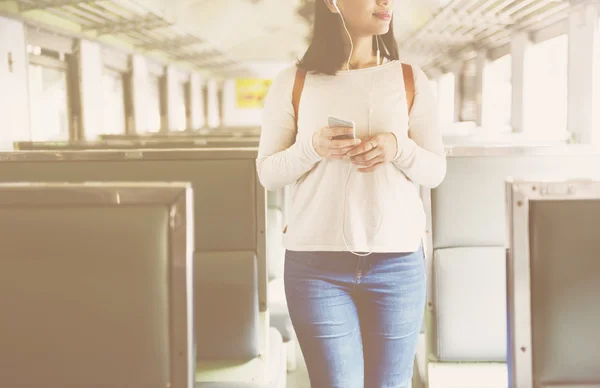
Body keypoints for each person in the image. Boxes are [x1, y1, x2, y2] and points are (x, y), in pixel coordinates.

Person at [256, 0, 446, 386]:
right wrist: (312, 147)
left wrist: (398, 147)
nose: (385, 2)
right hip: (315, 268)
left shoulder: (410, 79)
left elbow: (436, 171)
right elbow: (268, 174)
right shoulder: (294, 81)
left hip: (397, 266)